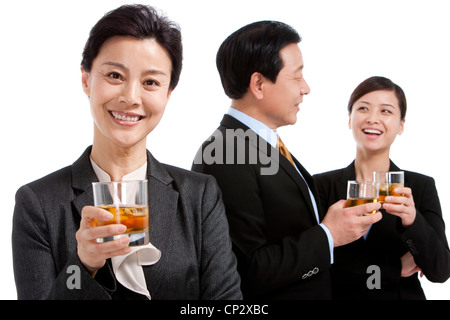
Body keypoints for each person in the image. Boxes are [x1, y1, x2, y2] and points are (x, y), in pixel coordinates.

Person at [12, 4, 242, 300]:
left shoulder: (199, 196)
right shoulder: (39, 204)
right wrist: (83, 266)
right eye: (115, 76)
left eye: (150, 82)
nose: (131, 98)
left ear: (168, 93)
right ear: (86, 79)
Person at [191, 21, 382, 299]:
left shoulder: (260, 144)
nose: (306, 88)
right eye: (296, 76)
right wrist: (328, 234)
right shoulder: (225, 153)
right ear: (258, 84)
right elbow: (246, 271)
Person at [313, 76, 450, 299]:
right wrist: (393, 269)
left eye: (386, 111)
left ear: (401, 125)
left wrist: (413, 221)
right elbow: (310, 266)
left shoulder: (420, 186)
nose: (373, 119)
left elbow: (441, 271)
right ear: (350, 119)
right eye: (363, 108)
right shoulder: (321, 186)